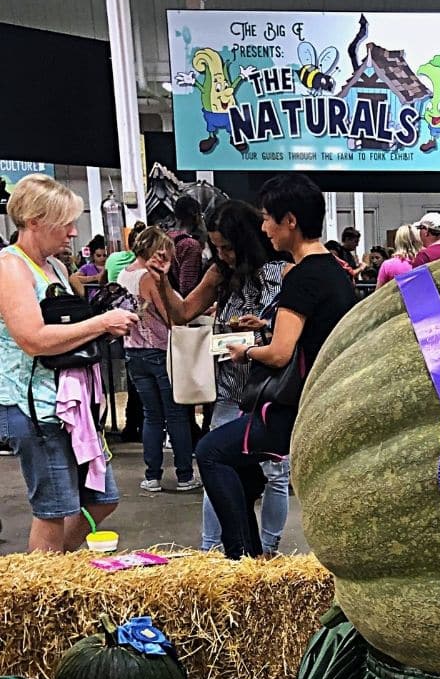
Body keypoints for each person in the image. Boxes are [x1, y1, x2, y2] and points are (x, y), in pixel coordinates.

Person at [196, 174, 356, 559]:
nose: (263, 227)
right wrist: (268, 325)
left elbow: (281, 353)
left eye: (268, 218)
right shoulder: (334, 271)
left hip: (293, 408)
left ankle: (243, 559)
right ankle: (251, 554)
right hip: (320, 401)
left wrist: (245, 352)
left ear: (290, 221)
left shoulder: (301, 275)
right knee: (243, 471)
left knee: (210, 452)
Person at [0, 174, 138, 551]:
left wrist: (100, 329)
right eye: (65, 224)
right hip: (34, 406)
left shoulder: (56, 268)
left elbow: (67, 330)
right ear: (34, 222)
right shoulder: (11, 268)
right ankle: (41, 594)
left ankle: (59, 567)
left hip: (69, 405)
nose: (74, 233)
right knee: (53, 508)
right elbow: (33, 340)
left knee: (102, 498)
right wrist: (100, 323)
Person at [151, 199, 288, 552]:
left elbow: (295, 331)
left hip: (272, 391)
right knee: (215, 466)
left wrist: (266, 327)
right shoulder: (219, 274)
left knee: (276, 474)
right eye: (216, 247)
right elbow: (182, 313)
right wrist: (163, 281)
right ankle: (212, 549)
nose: (223, 254)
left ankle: (269, 552)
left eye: (228, 247)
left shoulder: (283, 273)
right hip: (230, 391)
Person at [117, 227, 202, 493]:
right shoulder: (148, 278)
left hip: (132, 350)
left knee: (151, 416)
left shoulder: (124, 273)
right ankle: (185, 476)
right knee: (176, 415)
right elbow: (172, 317)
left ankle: (152, 476)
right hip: (159, 351)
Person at [169, 195, 207, 296]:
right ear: (196, 216)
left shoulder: (166, 237)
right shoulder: (190, 245)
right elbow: (187, 287)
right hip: (182, 303)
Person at [77, 236, 107, 300]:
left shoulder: (109, 266)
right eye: (98, 256)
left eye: (105, 255)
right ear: (93, 256)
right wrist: (95, 277)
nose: (102, 258)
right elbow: (75, 278)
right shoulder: (87, 267)